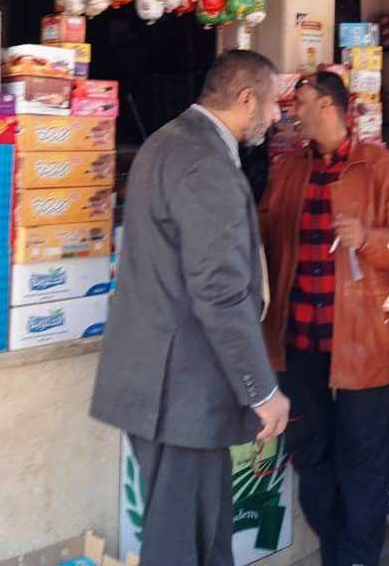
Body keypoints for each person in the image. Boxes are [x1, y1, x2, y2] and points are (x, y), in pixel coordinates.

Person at [90, 49, 290, 566]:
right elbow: (219, 291)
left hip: (163, 387)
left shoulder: (166, 142)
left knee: (203, 537)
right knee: (184, 545)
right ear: (246, 99)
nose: (276, 117)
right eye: (272, 104)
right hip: (181, 391)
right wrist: (262, 390)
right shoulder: (206, 163)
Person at [259, 72, 389, 566]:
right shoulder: (288, 170)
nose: (293, 112)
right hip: (298, 341)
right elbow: (265, 235)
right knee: (311, 453)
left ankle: (358, 557)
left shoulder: (384, 168)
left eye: (301, 103)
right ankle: (337, 551)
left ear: (329, 107)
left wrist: (370, 239)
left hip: (363, 344)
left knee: (363, 459)